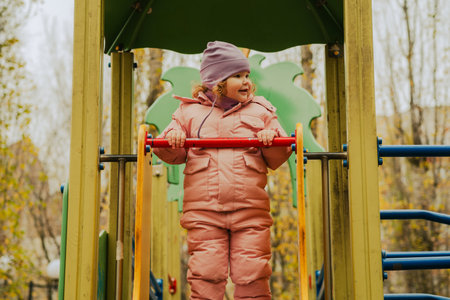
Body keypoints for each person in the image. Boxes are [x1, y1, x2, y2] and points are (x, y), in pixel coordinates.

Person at [153, 41, 292, 300]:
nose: (246, 81)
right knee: (206, 272)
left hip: (250, 211)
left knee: (253, 273)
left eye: (247, 75)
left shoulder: (261, 110)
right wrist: (172, 138)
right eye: (237, 76)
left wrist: (269, 138)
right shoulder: (189, 112)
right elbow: (170, 151)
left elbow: (278, 155)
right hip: (205, 212)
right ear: (216, 82)